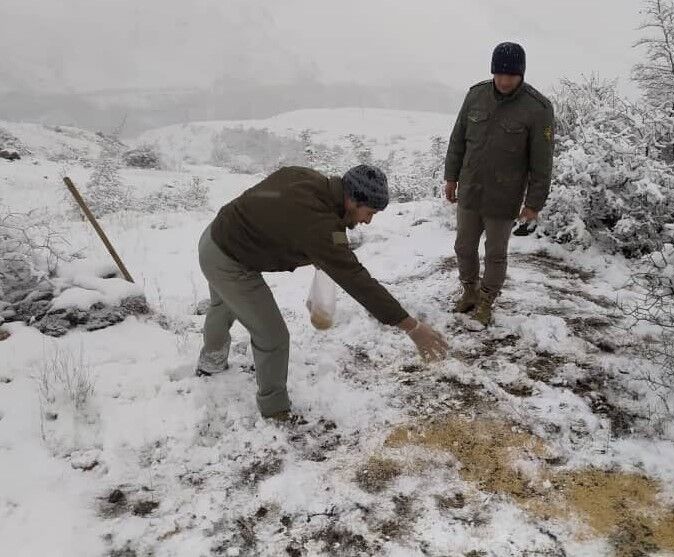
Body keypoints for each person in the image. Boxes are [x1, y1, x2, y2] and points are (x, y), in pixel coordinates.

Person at [196, 164, 449, 418]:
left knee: (223, 303)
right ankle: (275, 410)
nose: (368, 221)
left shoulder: (310, 180)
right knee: (272, 336)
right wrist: (411, 327)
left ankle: (211, 362)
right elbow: (356, 278)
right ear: (352, 199)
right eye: (369, 212)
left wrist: (324, 255)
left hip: (216, 235)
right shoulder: (319, 223)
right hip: (229, 261)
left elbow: (313, 227)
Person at [444, 42, 555, 327]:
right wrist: (451, 177)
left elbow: (541, 162)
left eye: (511, 75)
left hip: (503, 196)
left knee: (495, 253)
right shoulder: (476, 95)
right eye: (499, 74)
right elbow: (458, 139)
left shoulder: (538, 108)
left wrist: (533, 204)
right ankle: (469, 291)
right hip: (470, 188)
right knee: (463, 247)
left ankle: (486, 300)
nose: (504, 81)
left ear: (521, 74)